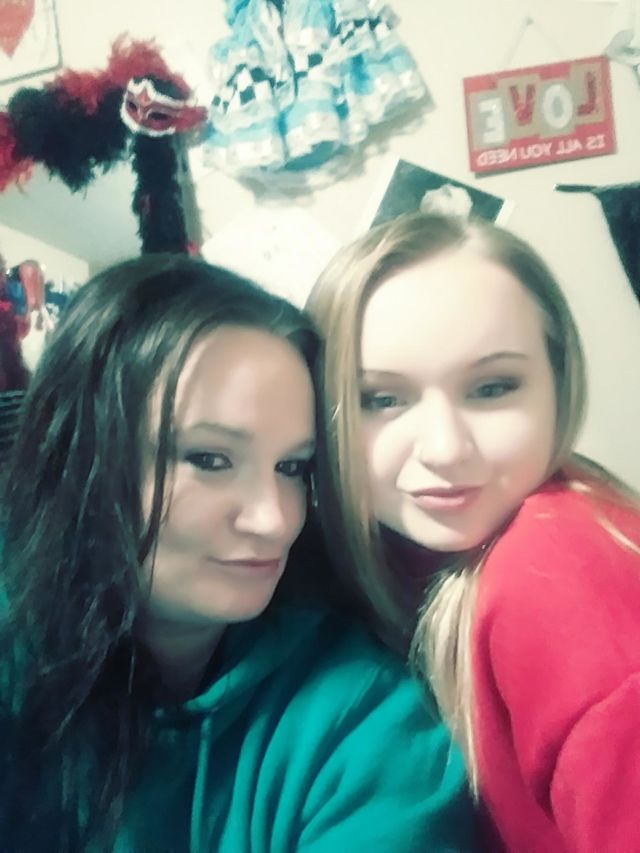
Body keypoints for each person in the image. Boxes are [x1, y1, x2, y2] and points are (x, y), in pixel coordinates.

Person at [0, 253, 478, 852]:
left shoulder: (362, 722)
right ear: (80, 456)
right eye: (209, 459)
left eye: (293, 468)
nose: (274, 520)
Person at [306, 212, 640, 852]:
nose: (445, 448)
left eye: (491, 388)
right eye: (382, 399)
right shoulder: (391, 559)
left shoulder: (556, 573)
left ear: (559, 383)